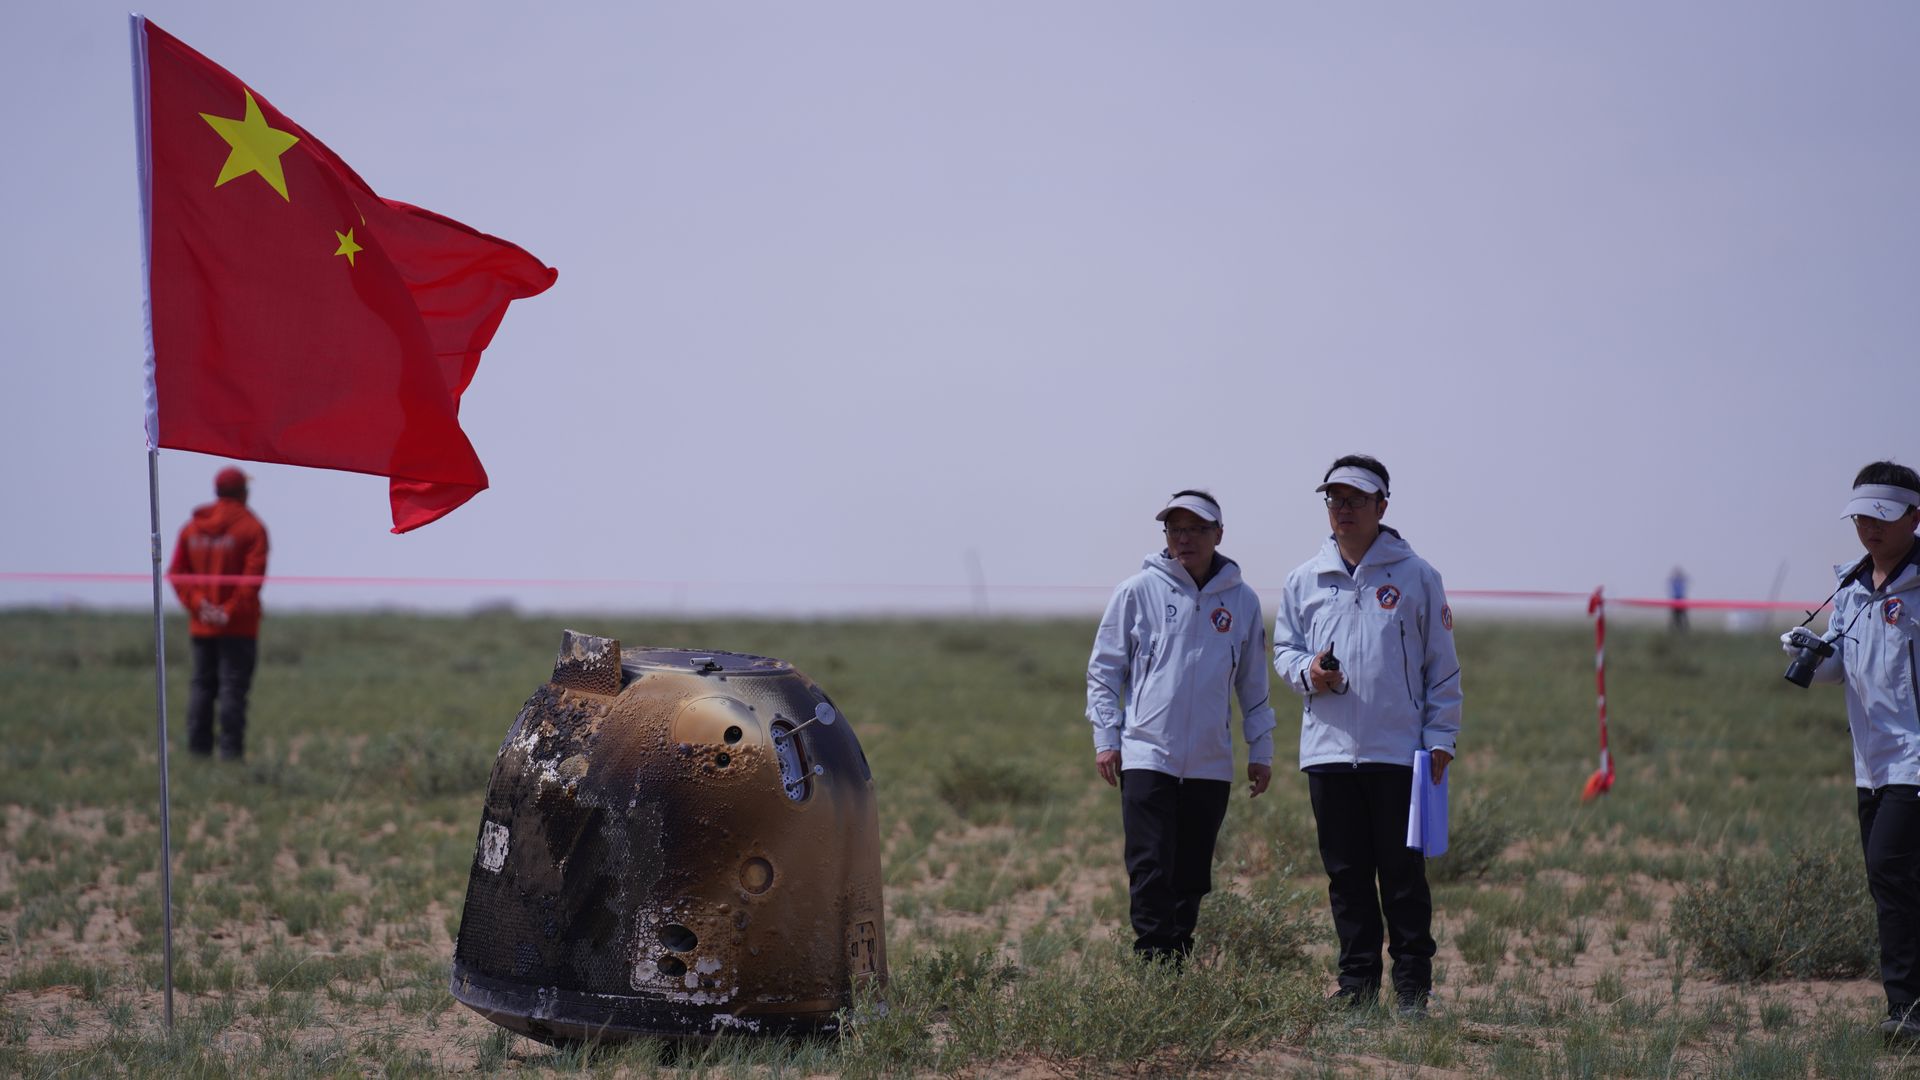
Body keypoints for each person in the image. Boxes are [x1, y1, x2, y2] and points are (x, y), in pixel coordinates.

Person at [1272, 454, 1460, 1017]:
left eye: (1356, 499)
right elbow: (1283, 652)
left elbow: (1441, 667)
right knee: (1346, 878)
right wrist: (1312, 673)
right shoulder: (1303, 579)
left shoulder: (1417, 576)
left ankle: (1411, 991)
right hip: (1328, 754)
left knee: (1403, 878)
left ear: (1382, 506)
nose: (1344, 509)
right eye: (1334, 499)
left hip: (1399, 754)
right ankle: (1355, 989)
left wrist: (1442, 737)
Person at [1086, 489, 1276, 965]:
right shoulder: (1136, 591)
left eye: (1196, 529)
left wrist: (1262, 749)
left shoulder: (1243, 601)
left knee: (1191, 873)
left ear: (1219, 535)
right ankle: (1154, 966)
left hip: (1210, 761)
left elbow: (1254, 682)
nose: (1185, 539)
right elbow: (1104, 672)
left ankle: (1178, 961)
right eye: (1176, 529)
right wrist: (1107, 739)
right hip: (1148, 753)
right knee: (1149, 866)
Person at [1780, 461, 1920, 1044]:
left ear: (1916, 516)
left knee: (1891, 872)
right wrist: (1813, 654)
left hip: (1914, 760)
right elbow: (1843, 668)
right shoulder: (1850, 585)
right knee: (1889, 877)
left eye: (1882, 516)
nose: (1869, 527)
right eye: (1861, 516)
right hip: (1871, 763)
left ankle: (1906, 1013)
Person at [168, 466, 269, 761]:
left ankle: (198, 754)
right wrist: (228, 611)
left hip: (202, 626)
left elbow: (177, 573)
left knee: (201, 687)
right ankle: (230, 755)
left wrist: (199, 605)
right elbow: (253, 579)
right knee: (232, 690)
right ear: (242, 492)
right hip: (239, 627)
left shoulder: (192, 528)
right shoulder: (252, 529)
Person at [1668, 566, 1690, 632]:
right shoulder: (1674, 580)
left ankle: (1684, 629)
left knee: (1683, 615)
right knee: (1675, 616)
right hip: (1675, 599)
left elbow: (1687, 579)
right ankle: (1675, 629)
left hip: (1681, 599)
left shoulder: (1681, 580)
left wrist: (1680, 576)